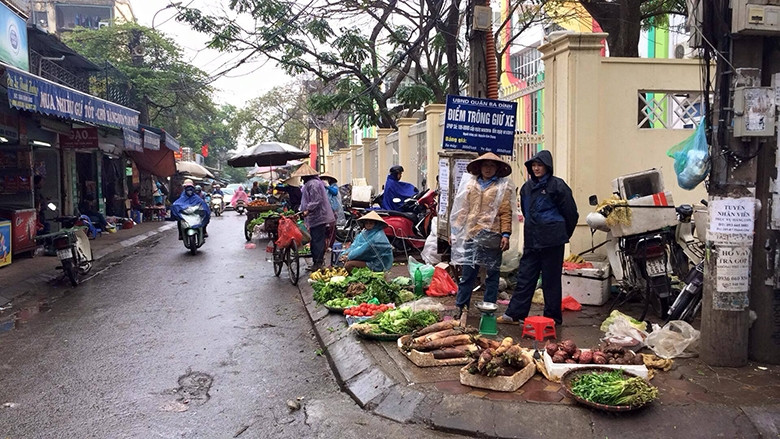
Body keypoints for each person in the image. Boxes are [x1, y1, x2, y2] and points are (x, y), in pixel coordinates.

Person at [499, 150, 579, 326]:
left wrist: (563, 233)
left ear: (547, 167)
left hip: (552, 240)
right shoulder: (527, 188)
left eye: (539, 165)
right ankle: (515, 314)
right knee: (525, 277)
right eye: (533, 165)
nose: (536, 168)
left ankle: (552, 318)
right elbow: (527, 213)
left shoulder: (558, 186)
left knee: (551, 280)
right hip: (532, 239)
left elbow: (571, 213)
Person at [449, 153, 515, 320]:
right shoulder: (471, 185)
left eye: (491, 166)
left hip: (492, 235)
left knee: (492, 275)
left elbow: (506, 212)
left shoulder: (502, 187)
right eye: (485, 165)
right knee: (468, 274)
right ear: (479, 167)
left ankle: (488, 310)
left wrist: (506, 234)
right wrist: (455, 230)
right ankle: (461, 306)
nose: (488, 169)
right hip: (472, 234)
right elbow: (463, 209)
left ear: (497, 169)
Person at [295, 163, 335, 271]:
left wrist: (308, 210)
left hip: (318, 216)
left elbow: (316, 200)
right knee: (315, 239)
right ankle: (316, 263)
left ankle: (318, 263)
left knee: (317, 240)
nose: (302, 178)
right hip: (314, 217)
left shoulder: (313, 184)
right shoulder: (310, 184)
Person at [320, 173, 345, 249]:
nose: (325, 180)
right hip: (323, 210)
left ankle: (330, 245)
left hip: (333, 210)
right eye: (323, 179)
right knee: (324, 229)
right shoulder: (321, 187)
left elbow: (335, 192)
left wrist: (328, 186)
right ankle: (324, 245)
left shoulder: (333, 186)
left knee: (332, 228)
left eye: (326, 179)